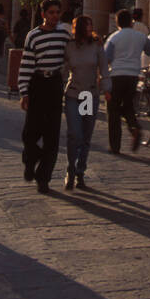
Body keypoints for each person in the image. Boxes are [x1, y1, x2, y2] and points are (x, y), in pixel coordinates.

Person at [18, 0, 72, 193]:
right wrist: (24, 92)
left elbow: (74, 52)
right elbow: (26, 64)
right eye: (51, 13)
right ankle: (30, 160)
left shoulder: (64, 35)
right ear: (43, 14)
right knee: (29, 133)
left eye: (58, 12)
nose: (55, 16)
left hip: (54, 85)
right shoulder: (33, 36)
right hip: (37, 84)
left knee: (52, 135)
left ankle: (44, 178)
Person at [104, 9, 150, 154]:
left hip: (116, 75)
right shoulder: (140, 36)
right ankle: (134, 126)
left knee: (113, 110)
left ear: (117, 22)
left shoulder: (113, 38)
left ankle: (115, 146)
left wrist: (102, 76)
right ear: (131, 22)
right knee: (128, 105)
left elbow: (106, 59)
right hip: (133, 76)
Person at [62, 15, 110, 190]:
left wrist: (107, 88)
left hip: (88, 95)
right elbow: (63, 69)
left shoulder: (96, 45)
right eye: (87, 26)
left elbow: (104, 67)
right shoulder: (70, 46)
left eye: (91, 25)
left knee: (85, 134)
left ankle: (80, 170)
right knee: (75, 134)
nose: (90, 29)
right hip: (74, 94)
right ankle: (71, 168)